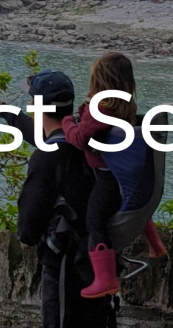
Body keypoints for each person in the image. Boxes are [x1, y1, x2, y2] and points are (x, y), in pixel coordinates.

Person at [0, 70, 117, 328]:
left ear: (38, 107)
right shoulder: (84, 142)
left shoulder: (47, 157)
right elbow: (41, 134)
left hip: (66, 270)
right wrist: (0, 107)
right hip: (98, 263)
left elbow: (28, 226)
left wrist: (27, 239)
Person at [60, 52, 167, 299]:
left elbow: (79, 138)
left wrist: (67, 121)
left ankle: (105, 279)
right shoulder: (126, 106)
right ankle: (156, 246)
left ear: (99, 81)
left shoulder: (100, 109)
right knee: (130, 206)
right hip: (129, 175)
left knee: (95, 221)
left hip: (108, 176)